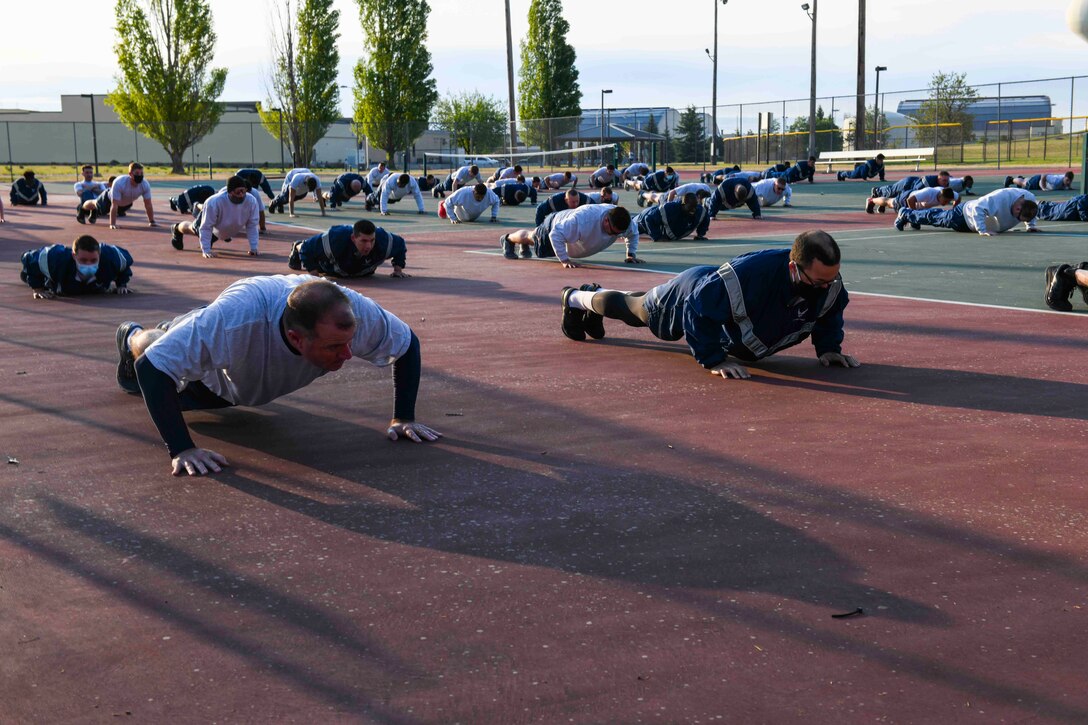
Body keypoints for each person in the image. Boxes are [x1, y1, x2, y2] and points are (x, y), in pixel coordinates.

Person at [113, 276, 441, 476]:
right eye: (335, 347)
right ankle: (132, 335)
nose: (348, 355)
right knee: (156, 349)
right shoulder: (235, 322)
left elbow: (407, 343)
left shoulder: (354, 312)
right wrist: (181, 449)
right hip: (212, 378)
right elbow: (152, 369)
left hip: (240, 372)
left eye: (350, 342)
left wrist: (403, 417)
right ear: (297, 338)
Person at [558, 230, 859, 381]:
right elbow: (698, 308)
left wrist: (829, 347)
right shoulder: (751, 275)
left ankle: (593, 296)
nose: (826, 286)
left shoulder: (827, 282)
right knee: (637, 311)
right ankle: (577, 297)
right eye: (819, 281)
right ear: (794, 269)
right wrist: (714, 358)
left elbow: (829, 312)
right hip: (691, 291)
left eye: (831, 279)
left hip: (712, 294)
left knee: (644, 300)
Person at [499, 204, 641, 266]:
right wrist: (564, 260)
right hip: (554, 225)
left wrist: (631, 254)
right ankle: (508, 239)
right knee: (532, 237)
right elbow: (556, 234)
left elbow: (633, 234)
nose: (613, 235)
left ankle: (524, 243)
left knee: (532, 240)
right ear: (605, 220)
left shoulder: (626, 223)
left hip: (567, 231)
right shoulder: (585, 219)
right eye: (612, 232)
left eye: (618, 234)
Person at [20, 234, 134, 299]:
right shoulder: (55, 258)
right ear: (74, 256)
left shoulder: (111, 257)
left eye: (93, 260)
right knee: (26, 275)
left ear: (99, 255)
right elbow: (29, 259)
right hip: (61, 282)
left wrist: (122, 284)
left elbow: (125, 267)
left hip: (94, 286)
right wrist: (37, 288)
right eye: (83, 260)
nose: (89, 265)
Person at [170, 176, 261, 257]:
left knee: (213, 238)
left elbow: (252, 225)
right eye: (238, 192)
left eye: (243, 191)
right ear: (230, 192)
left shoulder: (251, 201)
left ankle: (198, 207)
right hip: (211, 220)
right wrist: (206, 250)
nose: (241, 195)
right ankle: (177, 228)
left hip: (222, 227)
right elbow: (206, 227)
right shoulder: (214, 202)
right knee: (193, 228)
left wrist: (254, 248)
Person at [289, 219, 409, 278]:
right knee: (306, 248)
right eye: (364, 241)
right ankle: (296, 245)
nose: (368, 246)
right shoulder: (334, 239)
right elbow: (307, 249)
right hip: (331, 265)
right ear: (353, 238)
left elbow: (400, 245)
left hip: (361, 270)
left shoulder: (385, 241)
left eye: (372, 240)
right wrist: (314, 274)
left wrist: (398, 269)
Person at [895, 187, 1039, 235]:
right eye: (1018, 218)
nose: (1016, 221)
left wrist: (1031, 226)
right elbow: (978, 208)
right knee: (936, 218)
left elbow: (1032, 211)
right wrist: (982, 230)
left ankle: (908, 214)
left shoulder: (1029, 198)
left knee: (937, 217)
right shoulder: (1000, 198)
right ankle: (905, 213)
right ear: (1018, 207)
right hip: (963, 216)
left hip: (973, 225)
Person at [634, 192, 711, 242]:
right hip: (642, 219)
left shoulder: (700, 211)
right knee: (629, 228)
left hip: (663, 225)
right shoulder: (669, 209)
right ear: (683, 204)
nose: (693, 209)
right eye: (690, 207)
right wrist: (657, 237)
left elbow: (705, 218)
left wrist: (700, 234)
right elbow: (649, 218)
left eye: (695, 206)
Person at [867, 186, 956, 214]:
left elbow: (958, 198)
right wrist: (913, 215)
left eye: (948, 201)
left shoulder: (950, 194)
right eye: (945, 201)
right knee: (889, 202)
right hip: (907, 198)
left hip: (917, 202)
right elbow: (910, 200)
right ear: (940, 196)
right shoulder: (928, 193)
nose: (946, 203)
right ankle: (871, 200)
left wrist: (955, 208)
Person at [638, 182, 715, 208]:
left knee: (658, 195)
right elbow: (672, 193)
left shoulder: (707, 189)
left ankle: (650, 195)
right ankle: (643, 194)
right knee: (656, 198)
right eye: (700, 201)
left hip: (682, 201)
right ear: (697, 197)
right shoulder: (689, 188)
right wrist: (668, 207)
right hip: (671, 197)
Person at [1005, 172, 1075, 192]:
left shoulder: (1066, 179)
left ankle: (1021, 178)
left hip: (1039, 181)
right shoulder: (1056, 180)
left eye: (1070, 181)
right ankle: (1011, 179)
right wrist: (1044, 188)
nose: (1068, 182)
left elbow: (1067, 182)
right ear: (1064, 177)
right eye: (1067, 180)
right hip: (1038, 181)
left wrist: (1069, 186)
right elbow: (1044, 175)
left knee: (1026, 181)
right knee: (1025, 183)